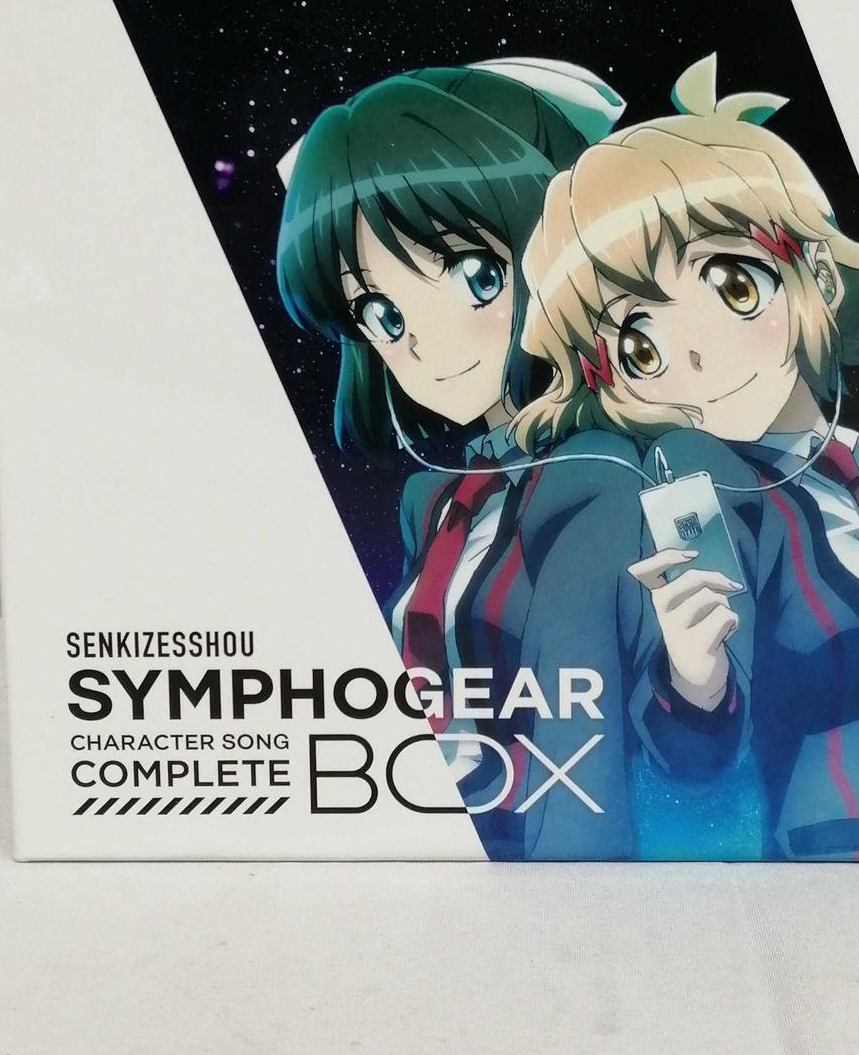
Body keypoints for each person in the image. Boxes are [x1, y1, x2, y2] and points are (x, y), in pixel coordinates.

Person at [512, 53, 859, 860]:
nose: (698, 357)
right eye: (639, 346)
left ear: (818, 275)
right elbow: (695, 755)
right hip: (829, 869)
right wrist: (693, 681)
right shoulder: (701, 495)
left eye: (732, 287)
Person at [276, 59, 714, 859]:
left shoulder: (626, 475)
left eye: (475, 275)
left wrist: (698, 682)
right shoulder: (435, 502)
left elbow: (665, 748)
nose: (423, 341)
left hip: (562, 869)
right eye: (379, 311)